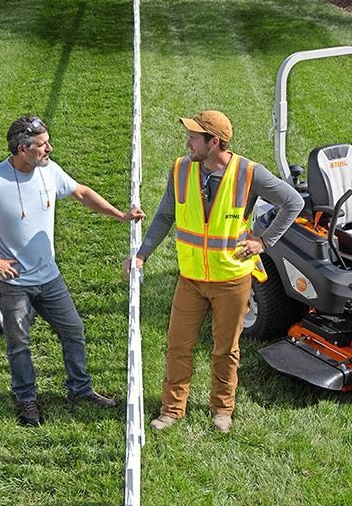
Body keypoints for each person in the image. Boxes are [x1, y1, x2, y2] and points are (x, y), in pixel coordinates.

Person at [0, 115, 144, 427]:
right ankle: (27, 401)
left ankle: (80, 390)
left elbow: (80, 192)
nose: (49, 149)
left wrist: (120, 215)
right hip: (12, 283)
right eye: (42, 145)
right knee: (19, 345)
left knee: (73, 331)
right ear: (20, 149)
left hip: (49, 277)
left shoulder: (49, 171)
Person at [125, 110, 303, 433]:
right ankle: (172, 408)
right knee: (178, 345)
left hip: (231, 281)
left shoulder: (249, 173)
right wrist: (141, 255)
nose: (187, 142)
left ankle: (222, 409)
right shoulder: (181, 169)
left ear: (214, 142)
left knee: (225, 349)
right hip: (191, 280)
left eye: (194, 137)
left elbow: (293, 202)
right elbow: (165, 216)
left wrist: (264, 241)